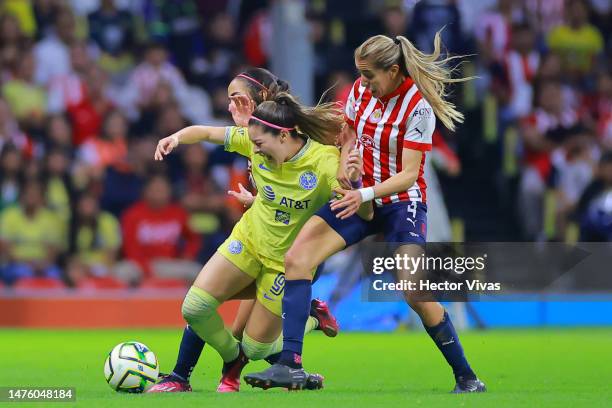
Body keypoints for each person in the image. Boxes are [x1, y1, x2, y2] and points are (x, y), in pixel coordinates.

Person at [245, 32, 486, 393]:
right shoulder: (359, 91)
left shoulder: (417, 107)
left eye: (370, 75)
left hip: (404, 202)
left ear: (392, 70)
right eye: (361, 75)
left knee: (412, 289)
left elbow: (408, 174)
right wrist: (347, 166)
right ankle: (290, 365)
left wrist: (367, 193)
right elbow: (349, 136)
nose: (364, 83)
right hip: (361, 195)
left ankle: (467, 377)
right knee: (297, 259)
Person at [149, 69, 356, 393]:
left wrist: (349, 169)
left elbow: (347, 179)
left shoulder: (319, 159)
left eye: (235, 99)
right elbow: (205, 133)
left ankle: (307, 319)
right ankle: (211, 370)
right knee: (196, 307)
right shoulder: (255, 136)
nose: (255, 150)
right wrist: (177, 137)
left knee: (255, 345)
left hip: (283, 262)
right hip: (249, 240)